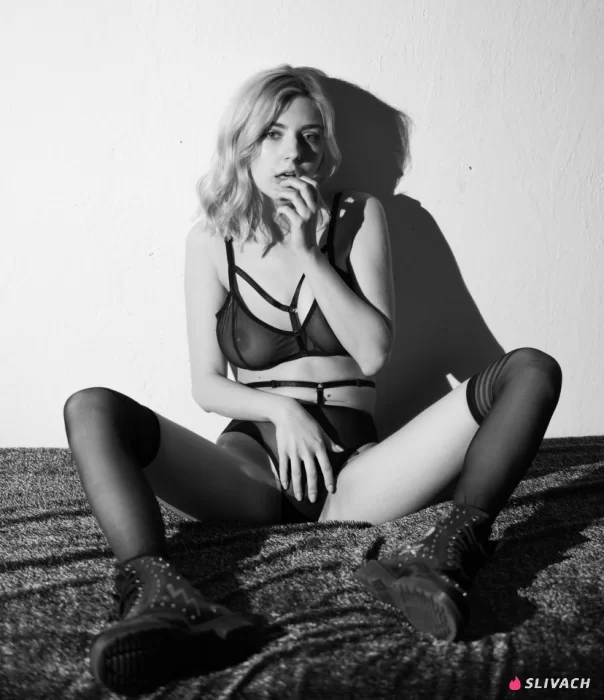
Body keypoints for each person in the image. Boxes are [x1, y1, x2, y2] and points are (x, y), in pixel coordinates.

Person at [63, 64, 563, 696]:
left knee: (531, 370)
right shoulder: (211, 242)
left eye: (310, 137)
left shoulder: (361, 216)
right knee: (91, 407)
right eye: (273, 134)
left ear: (325, 150)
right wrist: (282, 412)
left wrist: (307, 253)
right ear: (244, 145)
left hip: (353, 471)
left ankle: (446, 558)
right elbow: (207, 385)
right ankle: (159, 596)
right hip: (253, 465)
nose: (293, 153)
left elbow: (374, 354)